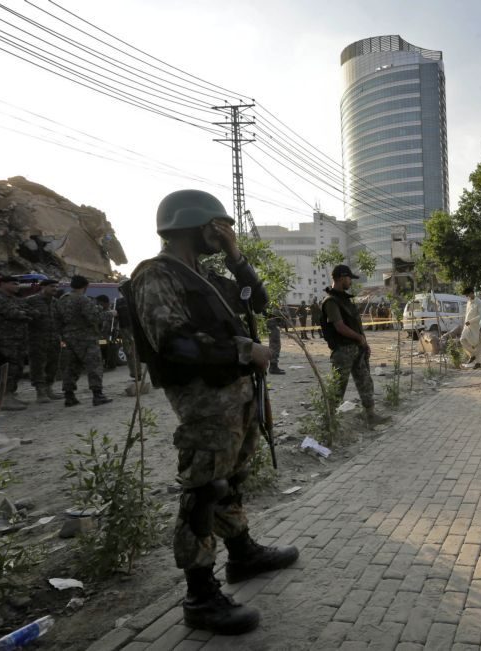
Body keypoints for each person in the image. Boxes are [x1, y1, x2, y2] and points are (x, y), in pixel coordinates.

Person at [126, 189, 298, 635]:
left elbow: (257, 301)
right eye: (217, 228)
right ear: (196, 225)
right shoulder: (156, 275)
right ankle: (200, 595)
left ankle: (242, 554)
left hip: (236, 396)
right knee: (204, 490)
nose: (222, 235)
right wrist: (246, 350)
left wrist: (237, 256)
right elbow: (174, 343)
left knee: (231, 481)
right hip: (204, 403)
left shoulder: (205, 276)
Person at [321, 265, 391, 427]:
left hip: (357, 349)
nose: (350, 281)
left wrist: (364, 343)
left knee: (365, 381)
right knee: (338, 387)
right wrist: (359, 338)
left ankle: (370, 415)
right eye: (349, 278)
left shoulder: (344, 300)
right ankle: (328, 423)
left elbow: (354, 325)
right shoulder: (331, 301)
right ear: (340, 278)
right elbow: (339, 326)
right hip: (342, 351)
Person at [55, 275, 112, 407]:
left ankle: (69, 396)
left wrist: (63, 334)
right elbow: (94, 317)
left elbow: (56, 319)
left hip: (68, 338)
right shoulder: (83, 299)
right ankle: (97, 395)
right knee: (94, 366)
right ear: (85, 286)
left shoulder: (62, 300)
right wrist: (110, 314)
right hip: (86, 338)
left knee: (71, 367)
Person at [0, 275, 32, 411]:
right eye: (13, 283)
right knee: (7, 370)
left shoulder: (14, 299)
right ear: (2, 284)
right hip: (4, 340)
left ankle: (10, 395)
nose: (17, 286)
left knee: (17, 368)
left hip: (18, 340)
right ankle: (4, 399)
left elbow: (27, 311)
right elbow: (14, 313)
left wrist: (26, 313)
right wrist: (26, 314)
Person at [25, 278, 62, 403]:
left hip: (54, 338)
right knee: (38, 365)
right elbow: (24, 316)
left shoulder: (56, 302)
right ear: (43, 287)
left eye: (56, 287)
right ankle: (40, 392)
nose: (55, 289)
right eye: (52, 286)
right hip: (37, 339)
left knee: (53, 365)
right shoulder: (31, 301)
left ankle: (49, 389)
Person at [460, 286, 481, 369]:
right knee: (462, 340)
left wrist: (470, 321)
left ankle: (479, 362)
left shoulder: (479, 302)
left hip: (477, 327)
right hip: (467, 326)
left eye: (467, 295)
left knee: (478, 344)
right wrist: (466, 322)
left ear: (471, 293)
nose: (467, 297)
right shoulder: (468, 302)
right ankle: (473, 354)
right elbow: (467, 314)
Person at [265, 304, 286, 375]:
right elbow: (283, 315)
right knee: (275, 348)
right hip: (273, 330)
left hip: (272, 329)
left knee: (275, 347)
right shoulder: (274, 310)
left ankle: (274, 366)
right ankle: (273, 367)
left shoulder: (270, 310)